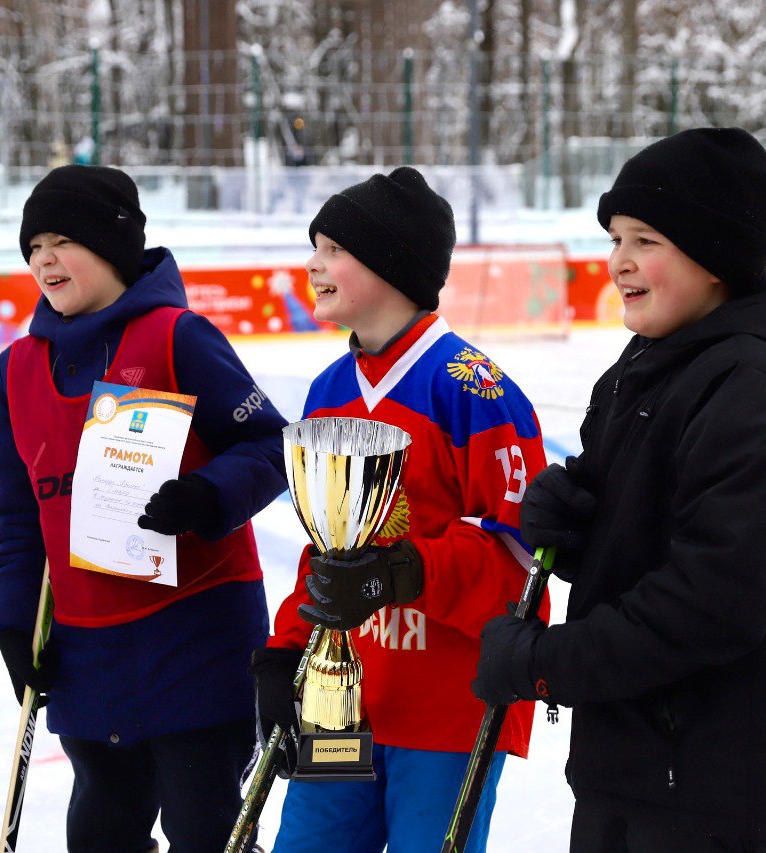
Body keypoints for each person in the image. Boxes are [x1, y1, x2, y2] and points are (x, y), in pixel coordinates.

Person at [471, 128, 766, 853]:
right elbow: (649, 532)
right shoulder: (649, 365)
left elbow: (714, 600)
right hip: (642, 761)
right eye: (615, 237)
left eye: (645, 239)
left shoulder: (752, 391)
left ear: (714, 256)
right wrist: (578, 519)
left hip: (711, 785)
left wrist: (547, 662)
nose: (618, 262)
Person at [0, 164, 288, 852]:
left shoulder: (178, 336)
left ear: (111, 245)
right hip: (88, 649)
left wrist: (208, 493)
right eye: (33, 247)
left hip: (195, 634)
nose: (43, 259)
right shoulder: (17, 368)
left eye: (61, 239)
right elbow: (18, 512)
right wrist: (9, 620)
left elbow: (271, 444)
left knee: (204, 828)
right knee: (99, 833)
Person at [249, 166, 550, 852]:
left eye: (333, 249)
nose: (312, 264)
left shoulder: (474, 391)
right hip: (341, 710)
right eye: (313, 246)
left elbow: (522, 568)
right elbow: (325, 552)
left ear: (390, 264)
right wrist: (284, 650)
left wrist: (400, 573)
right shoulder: (329, 390)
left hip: (446, 712)